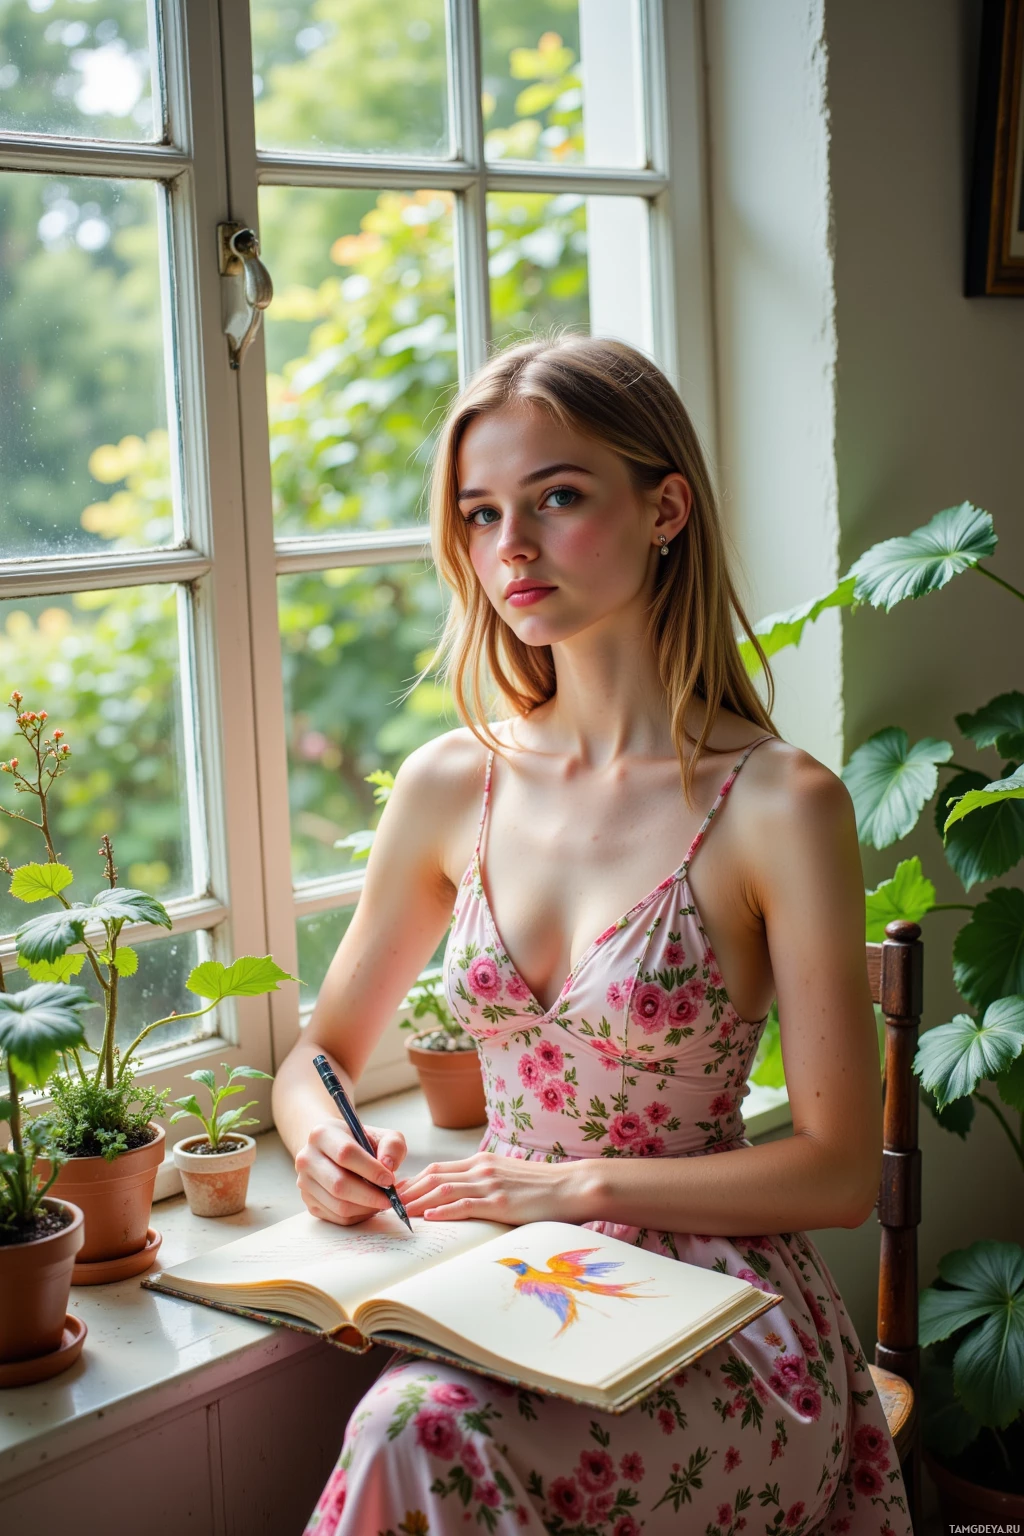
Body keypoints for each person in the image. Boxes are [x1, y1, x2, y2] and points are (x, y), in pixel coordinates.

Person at [273, 332, 912, 1536]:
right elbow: (317, 1060)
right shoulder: (450, 783)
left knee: (418, 1431)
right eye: (479, 514)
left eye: (555, 498)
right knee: (417, 1423)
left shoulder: (781, 804)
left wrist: (568, 1184)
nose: (508, 547)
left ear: (664, 508)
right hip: (506, 1285)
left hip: (724, 1314)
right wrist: (322, 1145)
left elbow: (835, 1174)